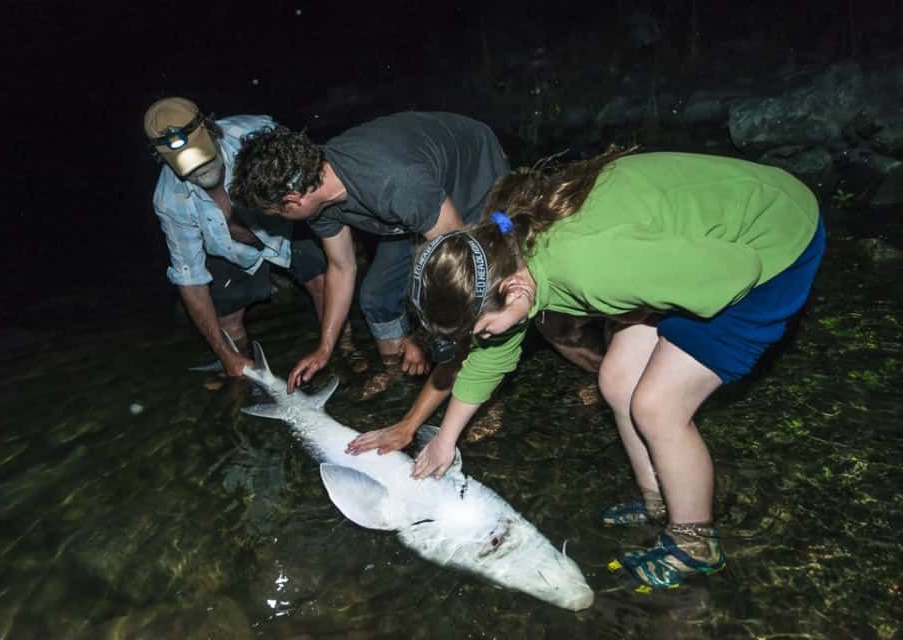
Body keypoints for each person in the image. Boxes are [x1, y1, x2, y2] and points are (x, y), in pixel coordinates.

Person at [403, 148, 825, 590]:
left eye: (482, 329)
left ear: (513, 291)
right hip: (672, 254)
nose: (483, 339)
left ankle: (695, 543)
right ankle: (657, 503)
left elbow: (738, 272)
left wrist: (648, 301)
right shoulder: (507, 250)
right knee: (617, 379)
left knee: (657, 405)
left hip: (770, 246)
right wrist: (444, 442)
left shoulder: (591, 270)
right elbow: (491, 357)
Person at [230, 111, 510, 397]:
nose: (282, 219)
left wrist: (425, 336)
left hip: (473, 177)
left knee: (482, 296)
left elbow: (461, 262)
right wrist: (324, 348)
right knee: (377, 296)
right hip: (411, 206)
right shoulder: (315, 189)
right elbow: (341, 267)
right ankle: (398, 379)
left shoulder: (395, 183)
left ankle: (487, 396)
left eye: (278, 213)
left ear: (293, 200)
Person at [144, 97, 342, 377]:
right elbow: (190, 278)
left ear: (211, 129)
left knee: (325, 283)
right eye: (191, 169)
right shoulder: (168, 198)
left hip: (285, 225)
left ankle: (343, 355)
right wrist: (225, 355)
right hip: (229, 249)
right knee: (226, 322)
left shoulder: (256, 133)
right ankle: (244, 374)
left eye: (206, 159)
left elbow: (319, 179)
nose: (201, 170)